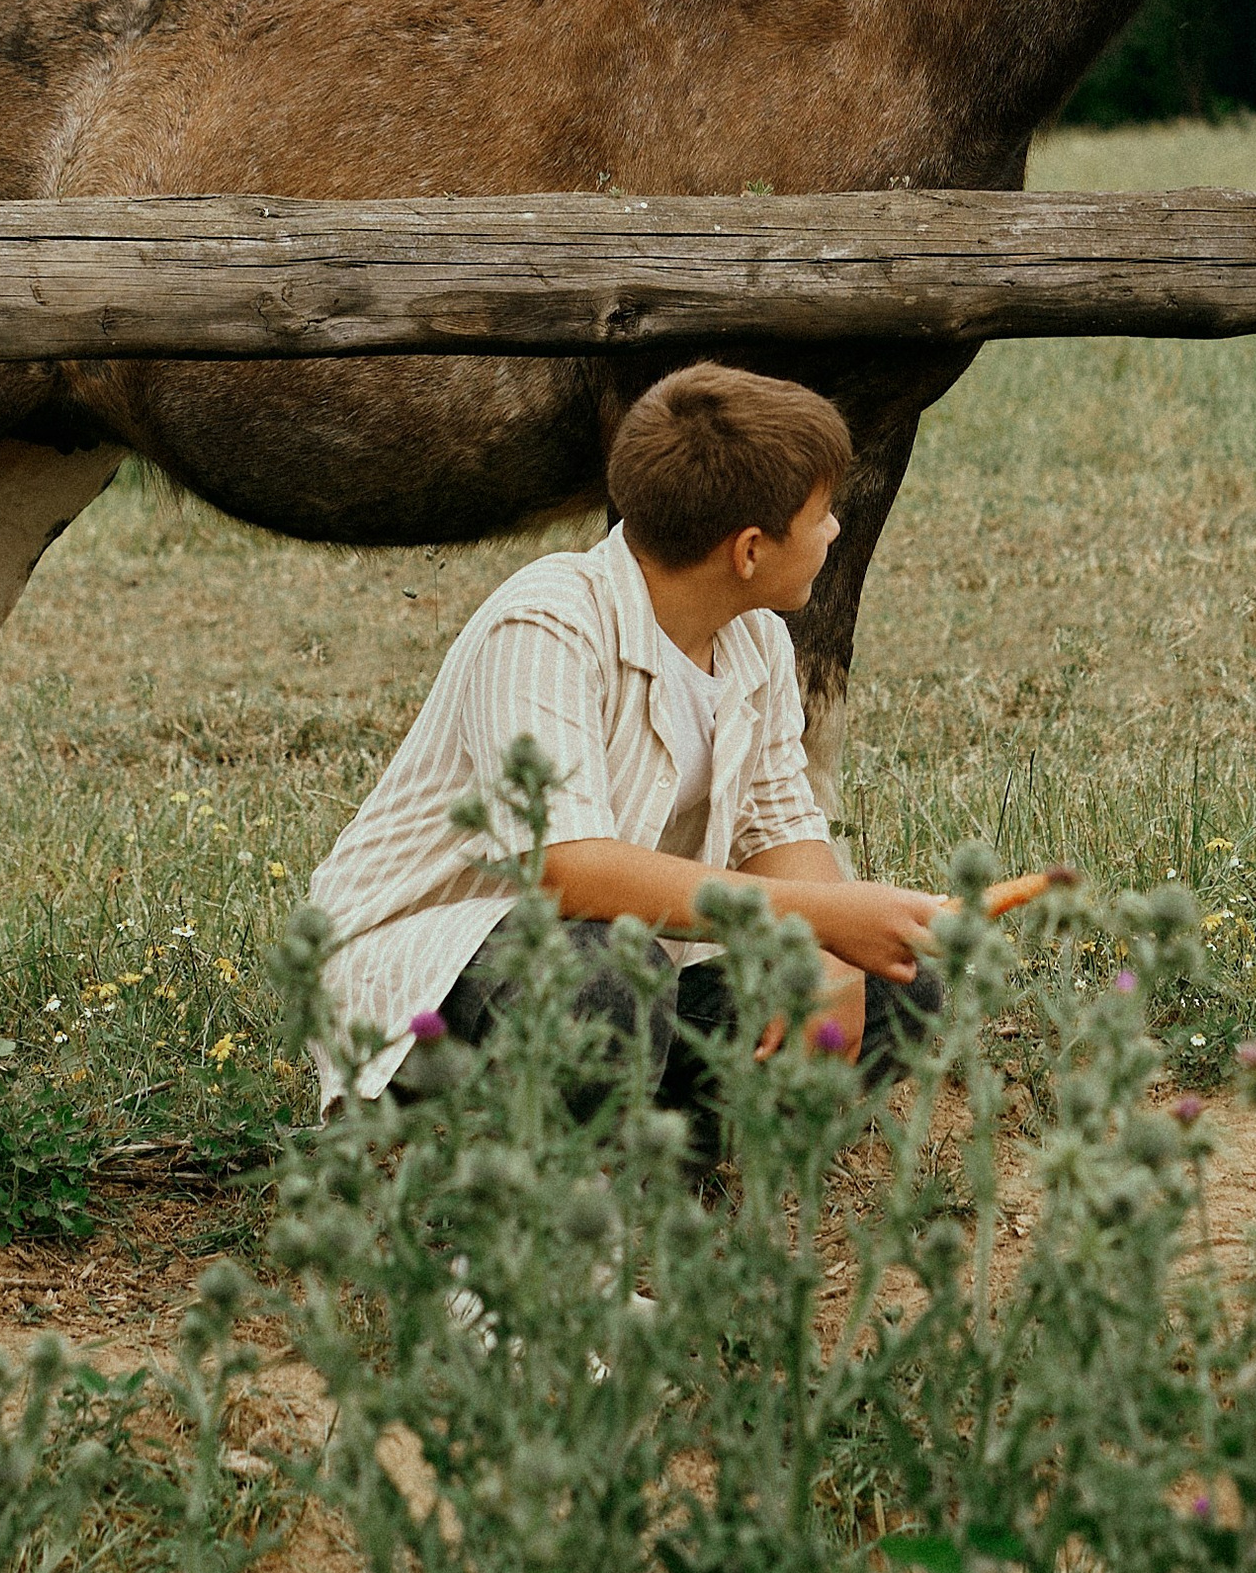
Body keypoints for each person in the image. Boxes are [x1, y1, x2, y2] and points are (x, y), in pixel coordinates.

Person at [304, 361, 948, 1144]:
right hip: (443, 960)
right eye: (822, 515)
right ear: (748, 551)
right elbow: (564, 869)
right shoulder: (545, 624)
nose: (837, 531)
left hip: (626, 956)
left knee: (902, 986)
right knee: (605, 979)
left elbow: (781, 828)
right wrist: (824, 913)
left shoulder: (756, 642)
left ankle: (662, 1149)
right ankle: (516, 1175)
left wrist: (836, 958)